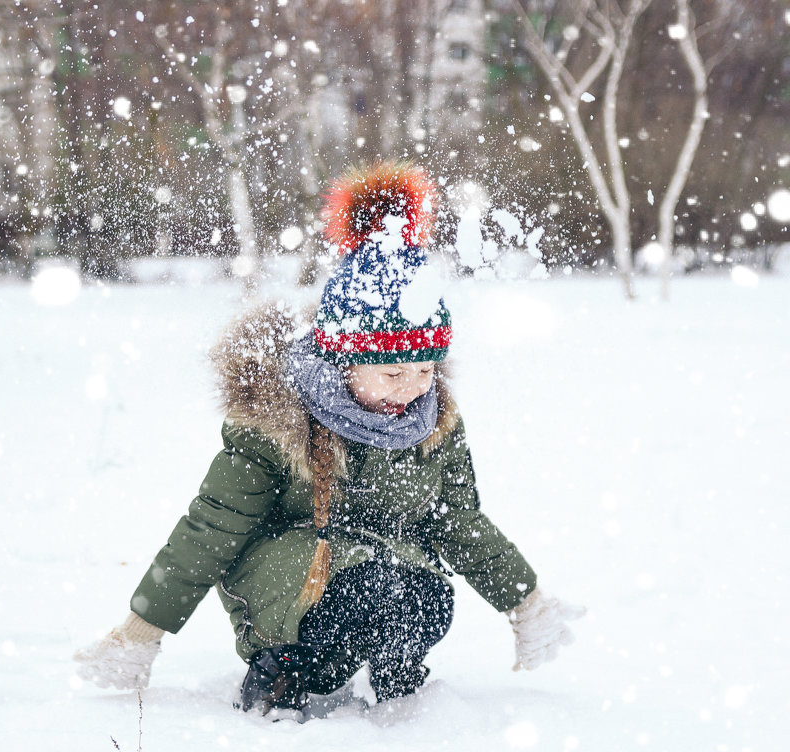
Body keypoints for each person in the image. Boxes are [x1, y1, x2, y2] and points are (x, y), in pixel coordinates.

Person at [74, 161, 584, 717]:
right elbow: (212, 527)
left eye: (425, 370)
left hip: (387, 568)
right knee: (358, 592)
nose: (411, 389)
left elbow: (458, 520)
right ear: (344, 360)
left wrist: (526, 601)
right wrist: (141, 629)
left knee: (425, 597)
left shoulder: (432, 421)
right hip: (289, 573)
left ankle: (397, 684)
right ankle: (284, 674)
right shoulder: (277, 422)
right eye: (392, 372)